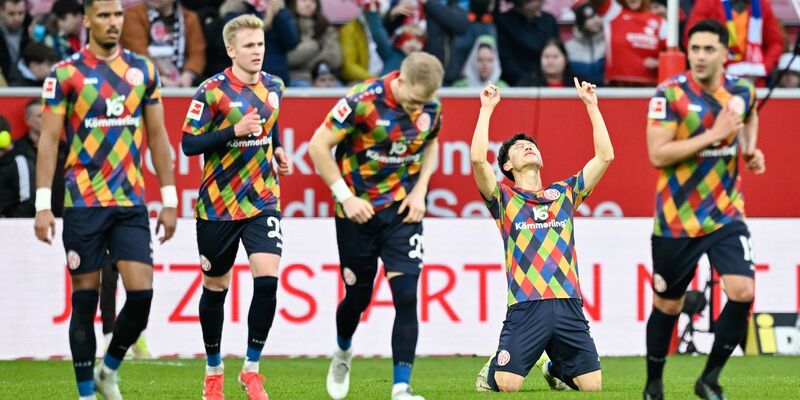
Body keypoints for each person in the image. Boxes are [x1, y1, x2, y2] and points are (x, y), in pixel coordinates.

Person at [33, 0, 178, 399]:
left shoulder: (143, 70)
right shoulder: (66, 74)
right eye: (104, 16)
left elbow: (159, 137)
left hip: (130, 201)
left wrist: (169, 198)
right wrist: (43, 204)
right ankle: (85, 394)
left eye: (118, 15)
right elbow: (48, 141)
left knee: (142, 294)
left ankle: (109, 369)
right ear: (87, 20)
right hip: (82, 201)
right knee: (84, 301)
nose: (113, 23)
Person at [309, 52, 443, 400]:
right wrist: (346, 198)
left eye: (423, 103)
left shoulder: (431, 107)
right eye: (413, 100)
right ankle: (342, 352)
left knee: (406, 296)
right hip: (358, 213)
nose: (417, 110)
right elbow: (318, 146)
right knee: (357, 297)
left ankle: (401, 388)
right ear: (399, 81)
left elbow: (430, 145)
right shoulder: (361, 101)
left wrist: (420, 191)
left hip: (401, 212)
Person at [643, 19, 764, 400]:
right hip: (676, 219)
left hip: (726, 213)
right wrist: (714, 134)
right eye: (694, 49)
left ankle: (709, 378)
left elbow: (750, 115)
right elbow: (657, 154)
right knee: (668, 304)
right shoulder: (669, 94)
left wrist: (749, 149)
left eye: (708, 49)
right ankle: (654, 383)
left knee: (743, 291)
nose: (699, 56)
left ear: (725, 54)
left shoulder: (742, 90)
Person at [471, 78, 612, 393]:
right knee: (507, 385)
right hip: (526, 303)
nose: (528, 146)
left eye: (531, 144)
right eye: (519, 147)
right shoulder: (504, 199)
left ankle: (553, 367)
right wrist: (486, 110)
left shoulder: (564, 194)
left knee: (593, 387)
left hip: (568, 303)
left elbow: (605, 157)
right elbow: (479, 160)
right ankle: (493, 368)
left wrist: (592, 106)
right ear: (508, 165)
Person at [181, 14, 292, 400]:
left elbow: (270, 123)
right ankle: (214, 371)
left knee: (268, 280)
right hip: (217, 206)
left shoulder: (275, 86)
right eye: (248, 46)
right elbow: (189, 145)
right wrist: (233, 131)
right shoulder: (211, 91)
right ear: (231, 50)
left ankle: (252, 369)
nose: (257, 52)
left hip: (263, 199)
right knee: (216, 289)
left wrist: (276, 149)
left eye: (259, 44)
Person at [0, 99, 65, 217]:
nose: (47, 119)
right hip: (30, 222)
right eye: (41, 116)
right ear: (28, 120)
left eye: (50, 115)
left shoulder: (67, 150)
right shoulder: (17, 152)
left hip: (65, 218)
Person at [121, 0, 207, 87]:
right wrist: (158, 77)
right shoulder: (133, 15)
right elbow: (138, 53)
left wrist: (188, 74)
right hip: (144, 80)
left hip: (182, 84)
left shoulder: (190, 18)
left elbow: (197, 53)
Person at [592, 0, 666, 85]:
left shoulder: (659, 21)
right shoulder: (613, 12)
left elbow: (674, 54)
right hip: (617, 86)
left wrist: (659, 62)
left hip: (648, 88)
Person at [496, 0, 559, 86]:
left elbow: (556, 50)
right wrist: (528, 81)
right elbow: (506, 60)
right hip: (516, 82)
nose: (539, 4)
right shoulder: (504, 21)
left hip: (547, 79)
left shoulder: (548, 20)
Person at [286, 0, 342, 87]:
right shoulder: (285, 26)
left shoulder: (326, 27)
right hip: (299, 78)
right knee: (304, 88)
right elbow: (289, 59)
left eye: (313, 1)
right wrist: (315, 46)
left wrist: (305, 59)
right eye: (303, 0)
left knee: (342, 90)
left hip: (326, 77)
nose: (308, 4)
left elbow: (335, 60)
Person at [565, 0, 605, 86]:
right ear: (580, 22)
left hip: (608, 95)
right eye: (590, 17)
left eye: (597, 15)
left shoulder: (607, 44)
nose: (596, 20)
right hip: (579, 95)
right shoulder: (568, 48)